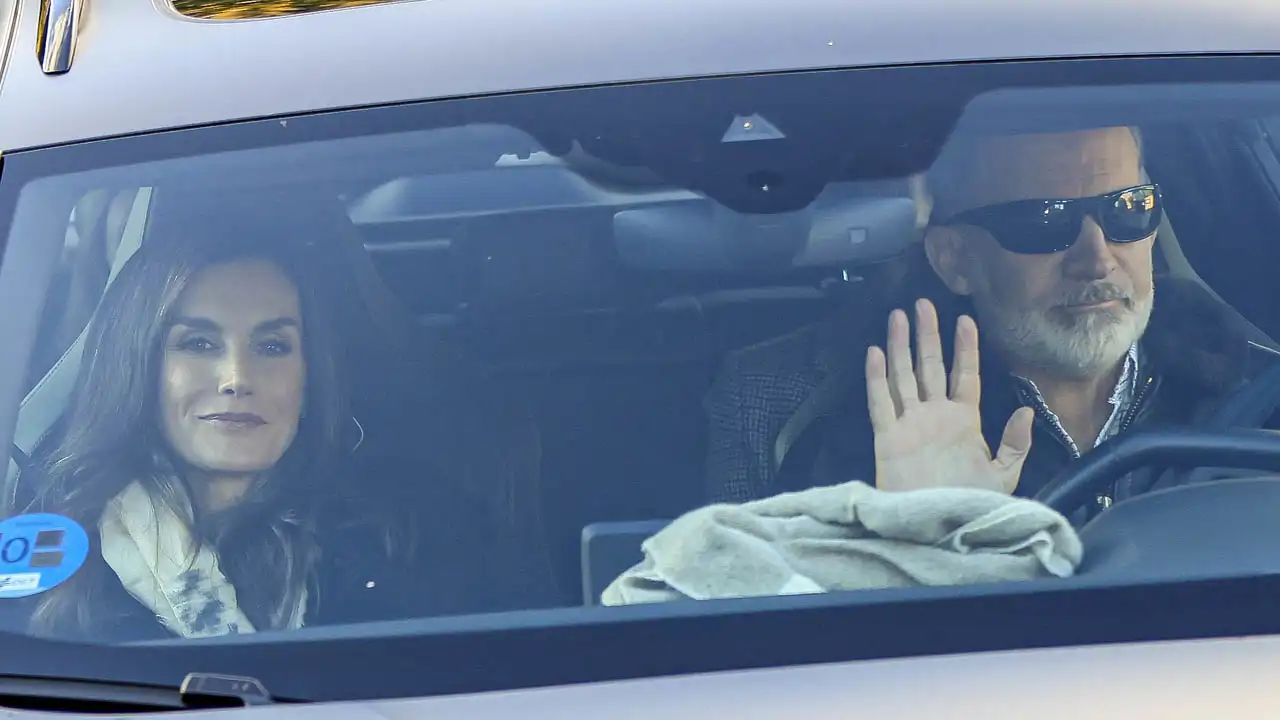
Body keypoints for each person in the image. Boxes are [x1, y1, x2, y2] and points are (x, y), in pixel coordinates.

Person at [17, 189, 554, 641]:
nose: (236, 377)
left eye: (272, 347)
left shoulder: (417, 536)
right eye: (199, 343)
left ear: (309, 374)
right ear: (138, 366)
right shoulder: (50, 548)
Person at [704, 126, 1264, 516]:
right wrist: (909, 537)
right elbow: (743, 655)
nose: (1097, 258)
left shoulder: (1259, 396)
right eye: (1044, 222)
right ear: (954, 259)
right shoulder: (790, 411)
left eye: (1127, 208)